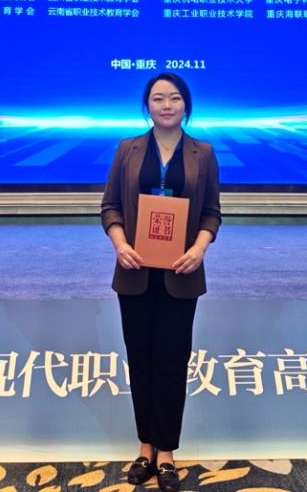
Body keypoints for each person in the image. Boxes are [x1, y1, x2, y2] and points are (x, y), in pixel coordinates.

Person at [100, 72, 222, 492]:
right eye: (157, 98)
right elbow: (110, 207)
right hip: (135, 271)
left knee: (171, 361)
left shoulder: (203, 153)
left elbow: (212, 212)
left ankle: (167, 451)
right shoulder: (128, 149)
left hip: (180, 273)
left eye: (174, 98)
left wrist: (199, 249)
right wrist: (120, 245)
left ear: (186, 104)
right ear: (146, 106)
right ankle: (145, 448)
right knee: (141, 359)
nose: (166, 105)